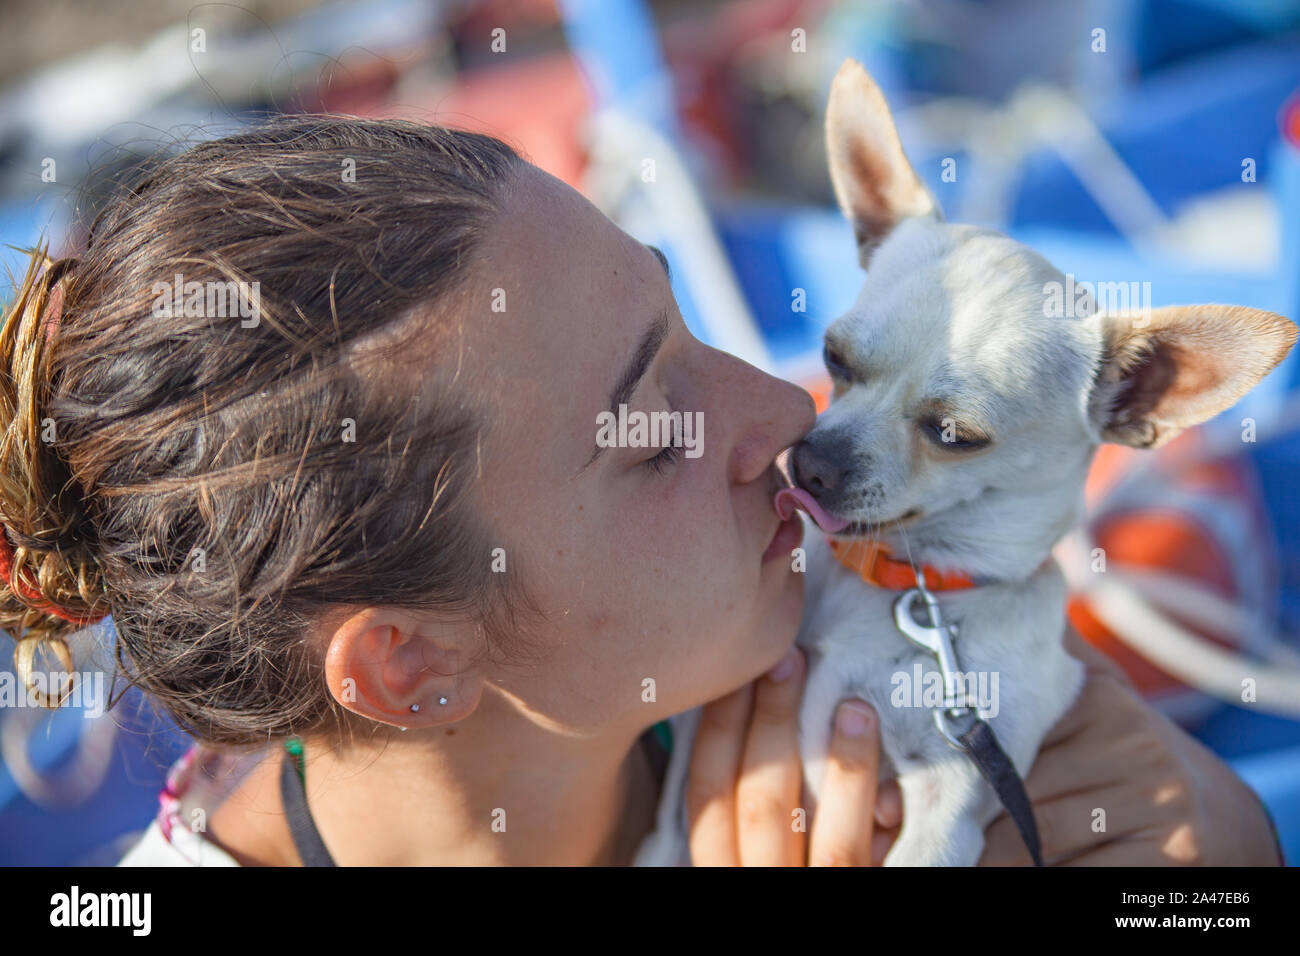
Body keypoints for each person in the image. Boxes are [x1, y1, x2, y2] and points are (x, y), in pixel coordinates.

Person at [0, 116, 1281, 866]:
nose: (785, 412)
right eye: (651, 431)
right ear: (407, 665)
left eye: (680, 318)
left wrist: (1217, 833)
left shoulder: (760, 649)